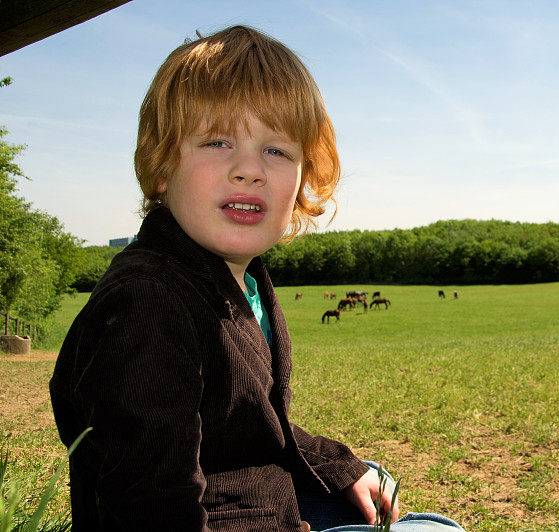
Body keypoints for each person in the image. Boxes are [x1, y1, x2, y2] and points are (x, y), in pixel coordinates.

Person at [49, 25, 463, 532]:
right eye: (218, 141)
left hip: (254, 496)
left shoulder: (236, 278)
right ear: (161, 167)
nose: (249, 169)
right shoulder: (145, 305)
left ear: (302, 179)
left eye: (277, 151)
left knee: (372, 478)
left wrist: (337, 466)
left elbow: (249, 427)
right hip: (212, 516)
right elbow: (148, 503)